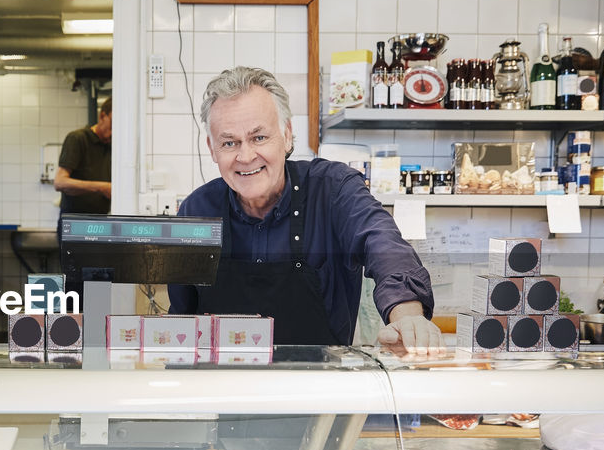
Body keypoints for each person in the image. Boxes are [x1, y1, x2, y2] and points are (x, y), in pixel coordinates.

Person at [168, 66, 443, 357]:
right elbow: (182, 318)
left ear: (287, 136)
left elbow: (382, 241)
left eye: (259, 137)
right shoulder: (196, 210)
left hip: (321, 391)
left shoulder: (334, 189)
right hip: (223, 390)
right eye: (229, 142)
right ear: (212, 149)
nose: (246, 156)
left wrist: (406, 315)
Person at [54, 97, 112, 214]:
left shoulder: (114, 147)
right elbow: (60, 182)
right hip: (75, 222)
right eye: (113, 123)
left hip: (101, 221)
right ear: (102, 116)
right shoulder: (78, 138)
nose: (115, 131)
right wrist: (102, 187)